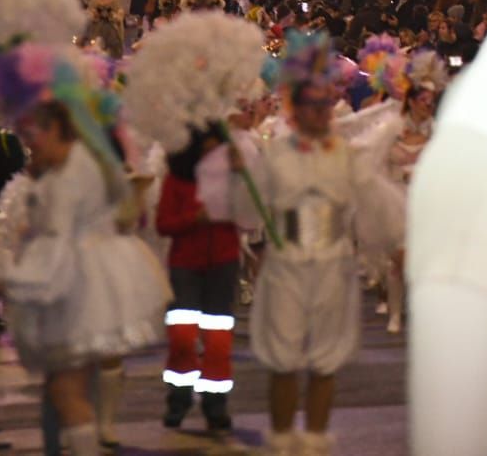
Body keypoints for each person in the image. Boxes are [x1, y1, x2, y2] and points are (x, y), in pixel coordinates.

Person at [233, 32, 403, 456]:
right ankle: (283, 438)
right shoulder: (276, 153)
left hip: (332, 263)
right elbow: (249, 207)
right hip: (287, 264)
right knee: (284, 361)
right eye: (311, 103)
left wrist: (395, 243)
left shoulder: (346, 155)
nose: (320, 111)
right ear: (294, 104)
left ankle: (314, 441)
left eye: (325, 103)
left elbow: (374, 202)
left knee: (326, 362)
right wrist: (240, 176)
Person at [0, 102, 169, 455]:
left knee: (68, 391)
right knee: (71, 390)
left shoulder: (70, 176)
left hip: (78, 286)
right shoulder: (73, 167)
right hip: (81, 281)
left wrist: (5, 280)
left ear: (55, 130)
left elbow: (57, 245)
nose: (31, 144)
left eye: (34, 135)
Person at [156, 126, 241, 432]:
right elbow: (163, 223)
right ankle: (178, 399)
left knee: (218, 338)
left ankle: (215, 405)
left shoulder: (232, 178)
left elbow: (251, 212)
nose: (211, 157)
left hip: (223, 261)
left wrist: (242, 176)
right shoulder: (177, 180)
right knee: (181, 335)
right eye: (205, 151)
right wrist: (193, 219)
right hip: (185, 265)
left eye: (216, 151)